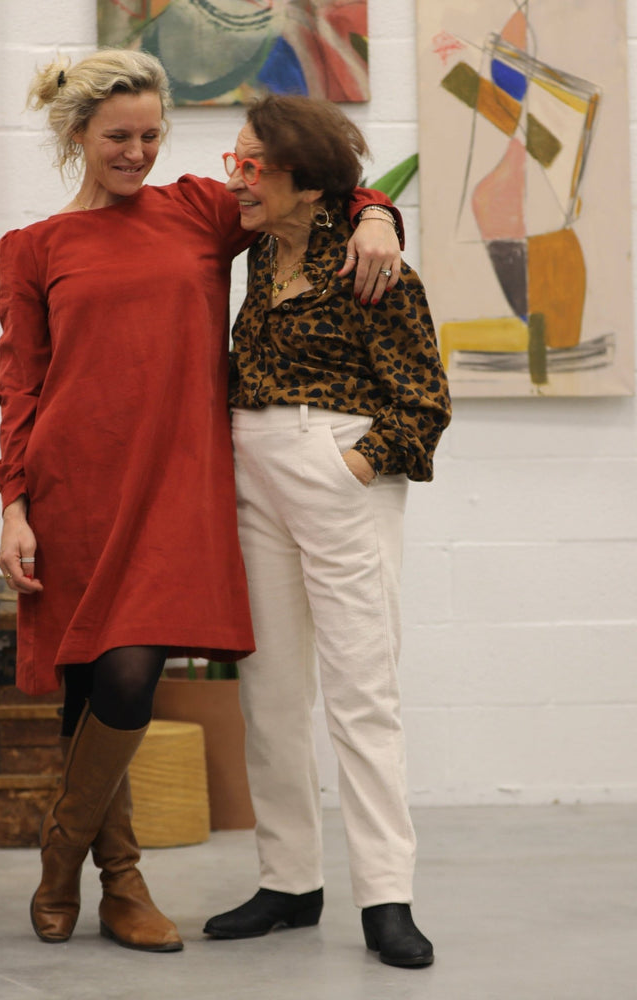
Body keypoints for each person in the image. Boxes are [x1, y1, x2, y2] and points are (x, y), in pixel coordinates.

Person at [0, 50, 404, 953]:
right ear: (77, 135)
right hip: (74, 491)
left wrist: (379, 215)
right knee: (89, 682)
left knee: (129, 677)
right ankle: (119, 884)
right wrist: (15, 504)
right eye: (118, 137)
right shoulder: (34, 248)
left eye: (151, 135)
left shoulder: (199, 212)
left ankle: (59, 865)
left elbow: (311, 181)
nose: (137, 153)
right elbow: (19, 386)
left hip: (175, 486)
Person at [202, 95, 451, 969]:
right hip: (253, 472)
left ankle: (386, 897)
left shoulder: (371, 263)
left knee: (361, 692)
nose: (236, 180)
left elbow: (424, 402)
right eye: (234, 161)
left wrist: (355, 466)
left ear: (307, 185)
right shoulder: (256, 249)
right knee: (269, 693)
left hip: (336, 468)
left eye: (252, 166)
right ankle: (289, 881)